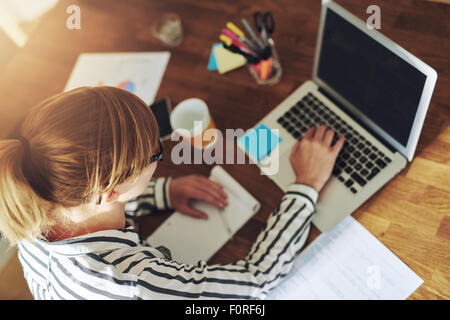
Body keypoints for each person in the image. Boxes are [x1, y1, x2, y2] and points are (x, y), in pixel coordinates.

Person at [0, 86, 344, 300]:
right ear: (110, 193)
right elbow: (256, 282)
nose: (163, 155)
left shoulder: (31, 196)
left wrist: (163, 192)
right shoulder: (136, 284)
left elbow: (93, 207)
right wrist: (307, 183)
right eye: (156, 154)